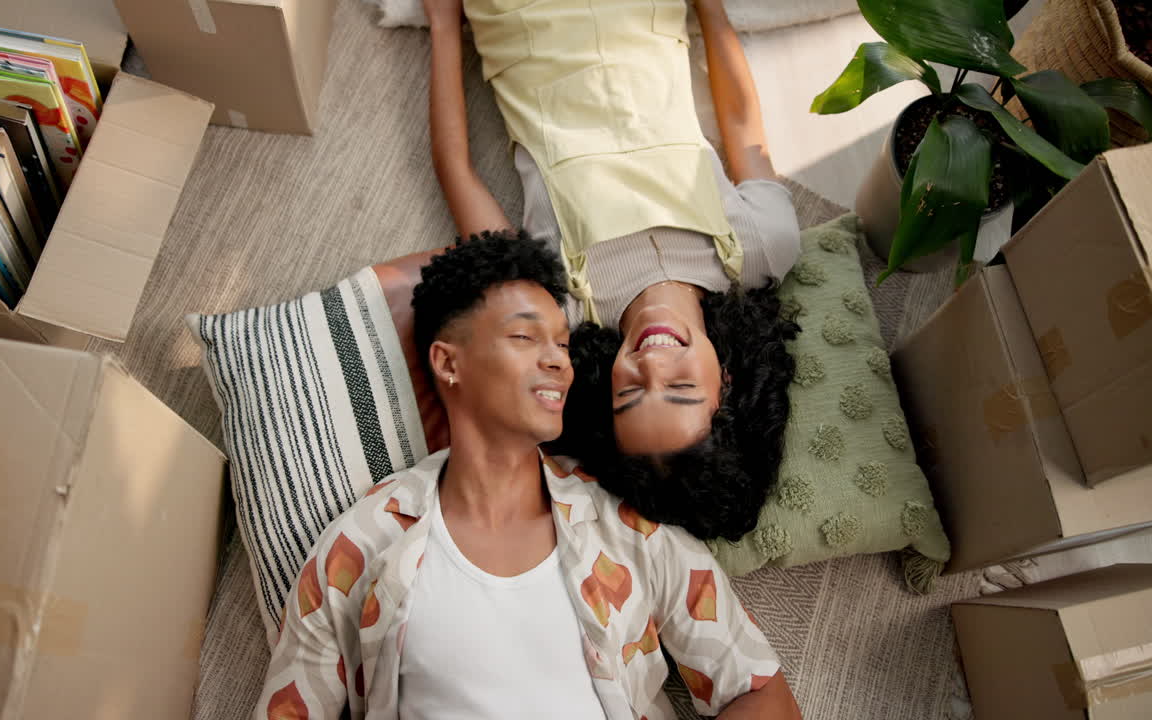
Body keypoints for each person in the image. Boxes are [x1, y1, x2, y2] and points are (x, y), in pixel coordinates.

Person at [253, 232, 801, 719]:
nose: (559, 361)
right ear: (449, 364)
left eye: (562, 344)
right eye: (525, 338)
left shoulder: (629, 527)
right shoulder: (362, 542)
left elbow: (759, 692)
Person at [423, 0, 800, 540]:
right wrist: (710, 10)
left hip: (524, 20)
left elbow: (455, 170)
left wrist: (442, 25)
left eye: (630, 393)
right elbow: (742, 127)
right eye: (679, 387)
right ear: (729, 386)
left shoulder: (558, 303)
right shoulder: (764, 245)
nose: (649, 365)